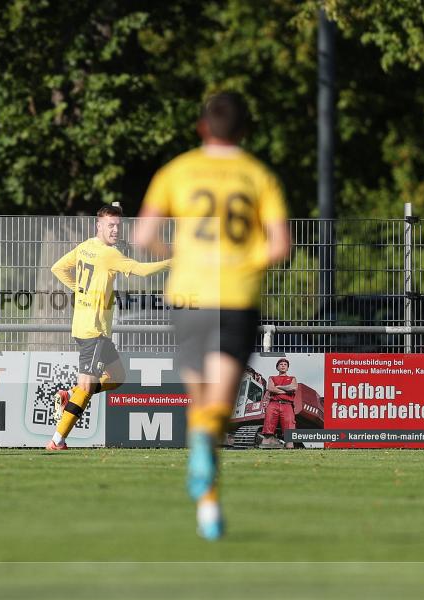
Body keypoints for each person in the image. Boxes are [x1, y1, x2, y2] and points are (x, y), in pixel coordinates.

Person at [134, 92, 291, 539]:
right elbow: (280, 246)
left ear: (203, 127)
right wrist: (242, 262)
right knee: (220, 409)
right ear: (245, 131)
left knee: (199, 403)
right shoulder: (259, 175)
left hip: (187, 297)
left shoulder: (177, 170)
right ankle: (206, 464)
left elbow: (144, 235)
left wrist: (180, 256)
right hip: (235, 299)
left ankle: (208, 511)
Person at [46, 204, 171, 451]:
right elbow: (142, 271)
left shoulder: (86, 247)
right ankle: (57, 441)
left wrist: (79, 290)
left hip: (90, 328)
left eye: (118, 225)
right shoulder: (108, 254)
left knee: (117, 378)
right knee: (87, 387)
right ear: (99, 226)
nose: (115, 230)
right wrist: (170, 262)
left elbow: (58, 268)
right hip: (93, 331)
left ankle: (70, 395)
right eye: (110, 225)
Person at [261, 358, 297, 449]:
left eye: (285, 364)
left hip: (287, 405)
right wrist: (286, 390)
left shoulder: (292, 378)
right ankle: (264, 449)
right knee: (268, 428)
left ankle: (290, 451)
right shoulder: (272, 378)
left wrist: (279, 387)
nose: (283, 366)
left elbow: (293, 388)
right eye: (281, 364)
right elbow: (271, 388)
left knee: (289, 432)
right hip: (273, 404)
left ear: (287, 368)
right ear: (277, 367)